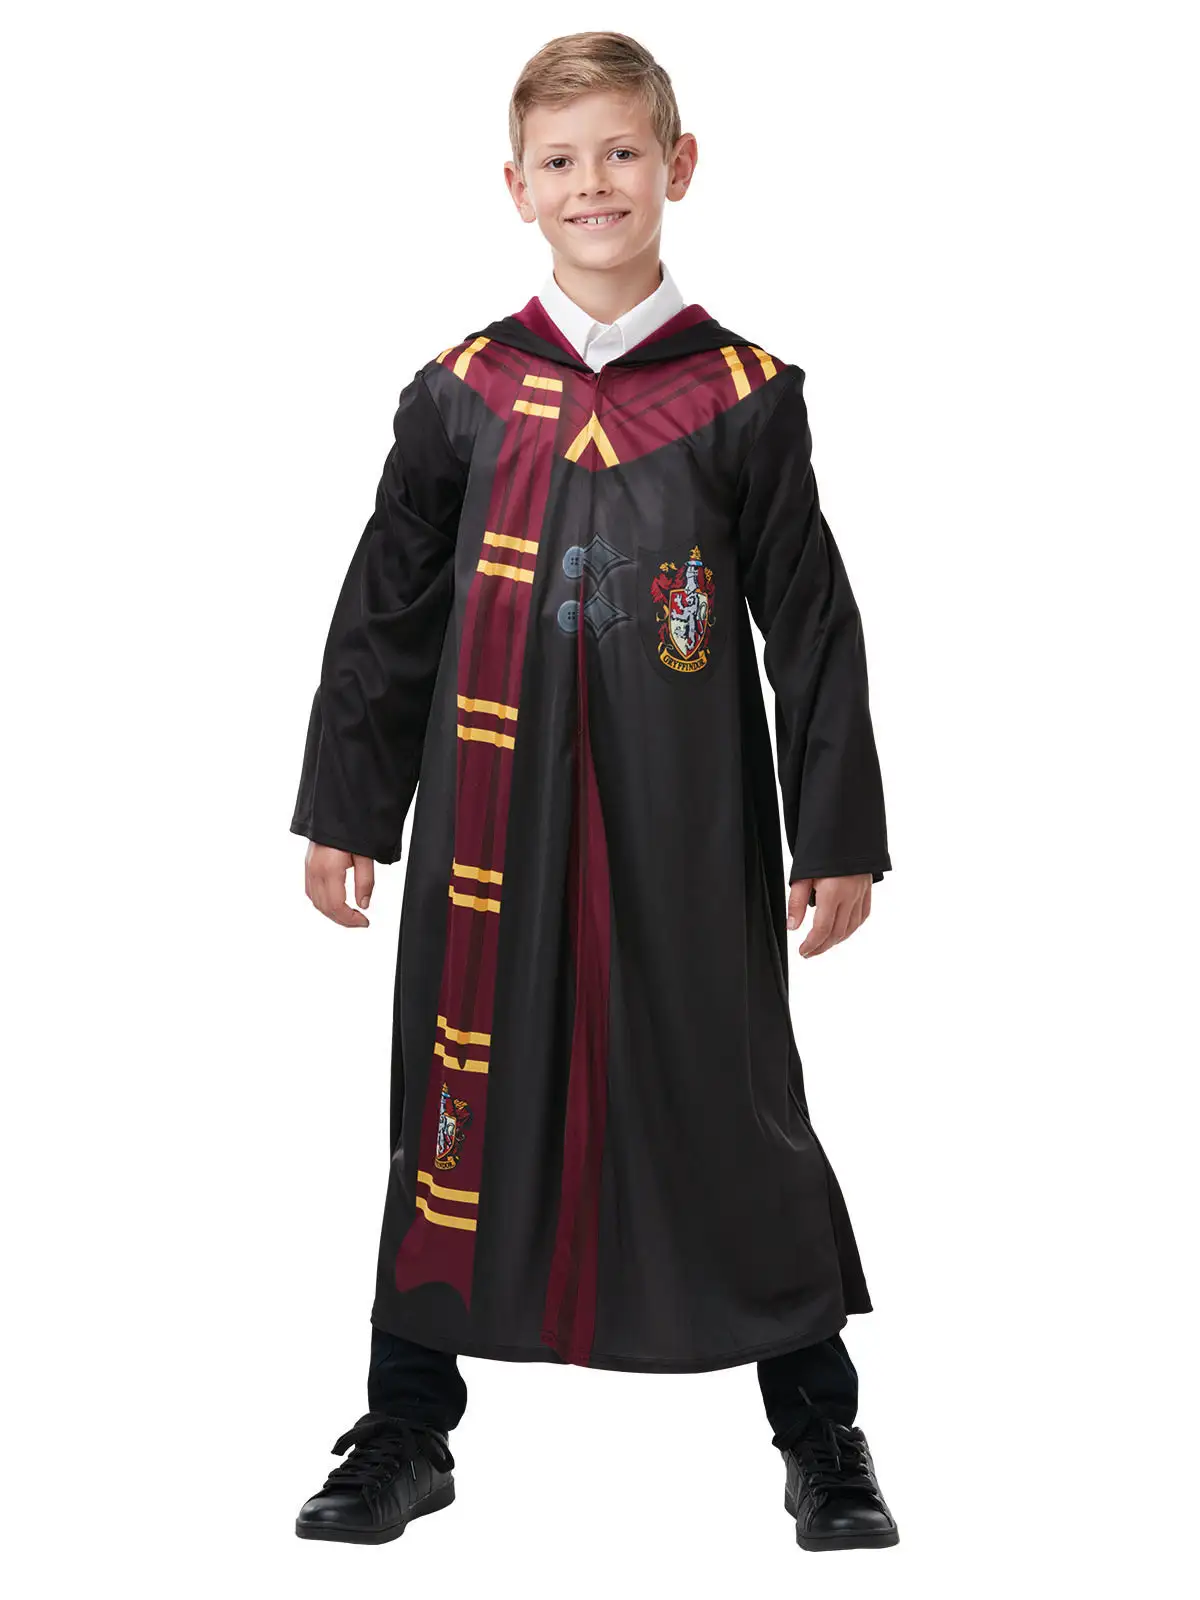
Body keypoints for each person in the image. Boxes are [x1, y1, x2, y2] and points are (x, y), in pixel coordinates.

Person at [290, 30, 898, 1554]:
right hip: (488, 826)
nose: (594, 184)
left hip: (686, 818)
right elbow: (386, 610)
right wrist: (349, 806)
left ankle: (819, 1426)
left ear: (678, 167)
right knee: (457, 1087)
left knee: (728, 1089)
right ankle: (405, 1421)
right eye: (560, 161)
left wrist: (835, 831)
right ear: (516, 188)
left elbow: (811, 622)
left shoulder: (742, 395)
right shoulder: (464, 392)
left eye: (622, 152)